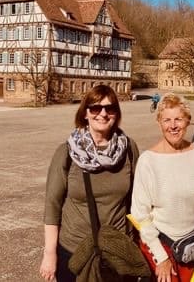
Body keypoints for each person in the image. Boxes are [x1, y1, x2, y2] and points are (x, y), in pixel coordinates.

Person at [39, 85, 140, 282]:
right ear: (85, 113)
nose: (103, 114)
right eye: (95, 108)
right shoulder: (67, 152)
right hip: (74, 249)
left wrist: (143, 240)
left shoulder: (128, 149)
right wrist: (49, 253)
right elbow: (52, 205)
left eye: (109, 109)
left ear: (116, 114)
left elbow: (139, 199)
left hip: (118, 250)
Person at [131, 93, 194, 282]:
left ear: (188, 121)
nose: (173, 126)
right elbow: (140, 214)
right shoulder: (148, 161)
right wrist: (161, 257)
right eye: (167, 120)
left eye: (178, 119)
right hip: (161, 245)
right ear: (159, 123)